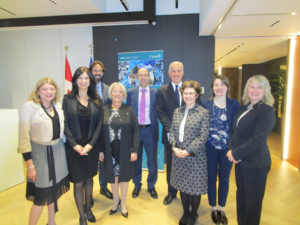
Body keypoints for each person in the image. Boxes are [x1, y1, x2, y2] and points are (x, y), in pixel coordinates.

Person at [18, 78, 69, 225]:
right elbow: (23, 138)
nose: (49, 92)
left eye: (51, 89)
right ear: (38, 91)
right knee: (41, 195)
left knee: (53, 191)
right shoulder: (29, 107)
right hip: (40, 154)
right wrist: (30, 165)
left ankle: (51, 222)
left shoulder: (57, 106)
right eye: (45, 89)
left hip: (58, 151)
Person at [226, 75, 276, 225]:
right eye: (251, 86)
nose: (254, 90)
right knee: (241, 196)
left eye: (259, 87)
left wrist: (235, 153)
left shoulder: (266, 111)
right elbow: (233, 131)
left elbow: (258, 139)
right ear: (247, 89)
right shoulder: (244, 108)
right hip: (240, 161)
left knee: (253, 202)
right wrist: (231, 150)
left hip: (256, 163)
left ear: (265, 91)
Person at [63, 67, 102, 225]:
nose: (83, 81)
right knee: (78, 182)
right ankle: (81, 215)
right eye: (80, 78)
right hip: (74, 148)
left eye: (86, 78)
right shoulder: (68, 99)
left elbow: (99, 124)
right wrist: (74, 145)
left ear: (90, 81)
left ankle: (88, 208)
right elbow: (64, 124)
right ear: (75, 80)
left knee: (89, 179)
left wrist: (91, 145)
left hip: (91, 147)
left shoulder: (96, 100)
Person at [169, 80, 210, 225]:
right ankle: (185, 212)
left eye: (191, 93)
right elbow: (172, 131)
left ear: (197, 95)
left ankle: (193, 215)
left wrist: (188, 151)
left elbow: (203, 136)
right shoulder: (177, 112)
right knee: (183, 186)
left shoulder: (203, 113)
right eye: (185, 93)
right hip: (178, 155)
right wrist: (174, 147)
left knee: (195, 188)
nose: (188, 95)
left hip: (195, 157)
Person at [201, 75, 239, 225]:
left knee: (224, 179)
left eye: (223, 85)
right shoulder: (206, 103)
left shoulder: (234, 104)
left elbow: (236, 129)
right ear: (212, 88)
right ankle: (212, 208)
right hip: (209, 148)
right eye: (216, 85)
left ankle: (221, 208)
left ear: (227, 87)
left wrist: (233, 148)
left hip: (226, 150)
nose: (219, 87)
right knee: (211, 178)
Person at [100, 82, 139, 218]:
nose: (117, 94)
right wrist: (100, 151)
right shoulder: (103, 110)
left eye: (120, 92)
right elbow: (99, 133)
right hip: (109, 151)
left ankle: (123, 204)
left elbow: (136, 131)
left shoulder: (129, 110)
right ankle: (115, 201)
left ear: (124, 95)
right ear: (110, 94)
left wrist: (134, 150)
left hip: (124, 151)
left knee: (124, 177)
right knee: (113, 176)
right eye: (114, 91)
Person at [126, 67, 159, 199]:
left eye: (146, 75)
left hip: (150, 130)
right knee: (136, 159)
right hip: (135, 131)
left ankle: (151, 185)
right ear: (137, 77)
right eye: (141, 75)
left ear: (149, 77)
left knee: (152, 160)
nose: (143, 77)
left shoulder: (156, 92)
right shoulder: (130, 92)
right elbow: (128, 112)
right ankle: (137, 185)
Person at [156, 61, 184, 205]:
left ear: (183, 73)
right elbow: (160, 111)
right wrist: (171, 128)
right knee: (171, 165)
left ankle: (187, 194)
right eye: (173, 71)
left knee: (187, 165)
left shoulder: (189, 88)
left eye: (179, 70)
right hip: (170, 134)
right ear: (169, 73)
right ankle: (171, 193)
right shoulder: (162, 90)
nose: (176, 73)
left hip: (188, 135)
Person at [89, 61, 113, 204]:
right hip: (90, 132)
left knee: (104, 160)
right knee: (91, 163)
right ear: (91, 72)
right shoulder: (85, 88)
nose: (98, 73)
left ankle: (103, 187)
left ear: (103, 73)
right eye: (95, 70)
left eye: (100, 71)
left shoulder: (108, 89)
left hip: (105, 131)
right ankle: (89, 194)